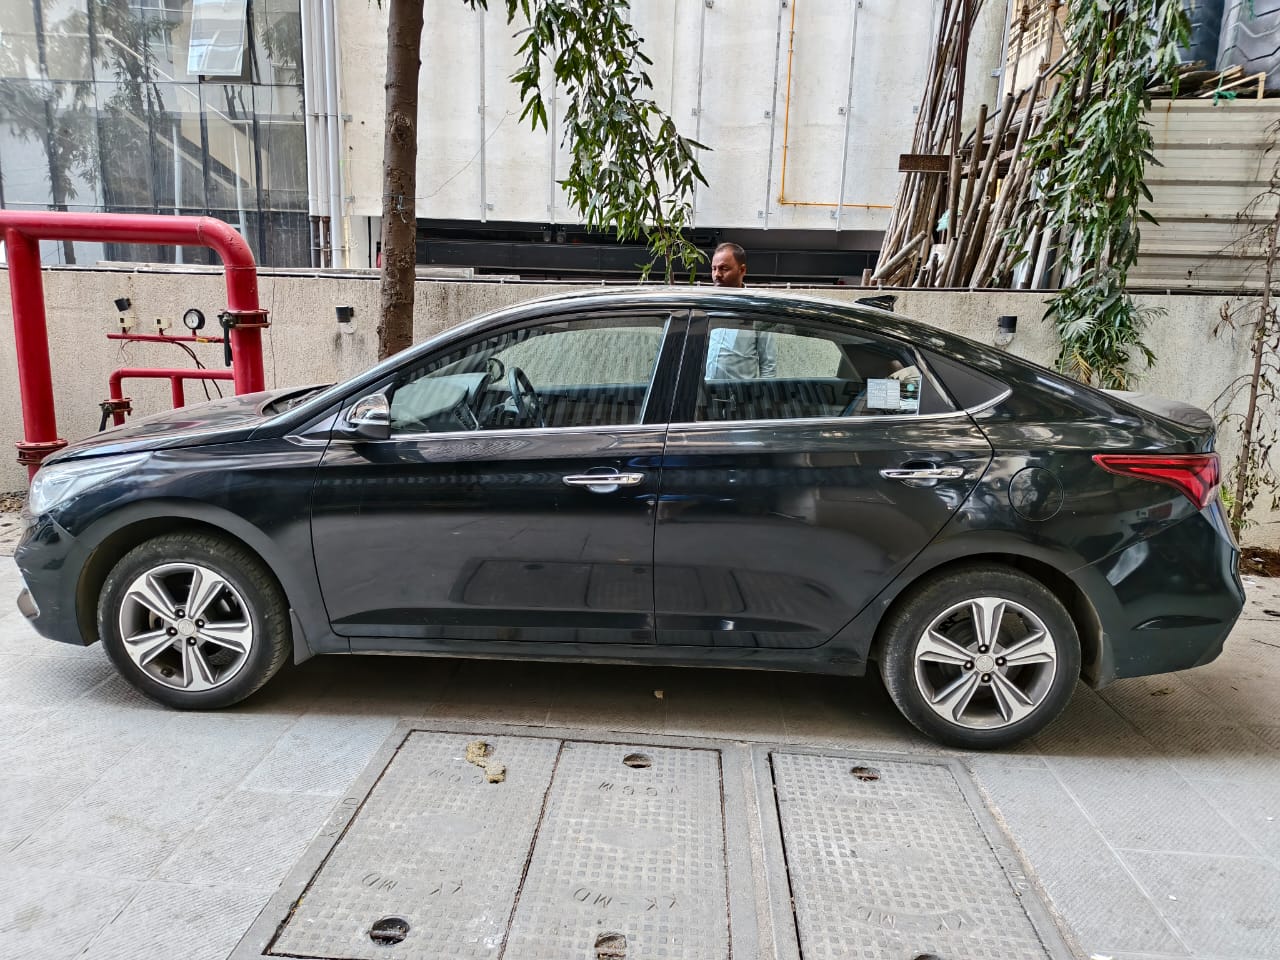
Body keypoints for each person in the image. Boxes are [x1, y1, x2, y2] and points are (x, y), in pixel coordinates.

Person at [705, 242, 777, 379]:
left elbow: (768, 365)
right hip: (705, 391)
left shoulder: (757, 309)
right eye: (713, 269)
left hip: (740, 392)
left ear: (742, 270)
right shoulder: (707, 306)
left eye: (723, 268)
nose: (717, 274)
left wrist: (765, 392)